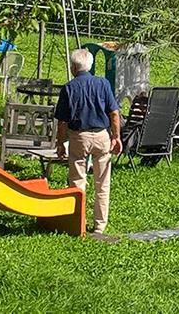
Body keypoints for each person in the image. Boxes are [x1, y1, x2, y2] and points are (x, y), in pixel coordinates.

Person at [54, 49, 122, 234]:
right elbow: (114, 114)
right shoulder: (103, 84)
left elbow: (62, 121)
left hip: (79, 137)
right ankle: (99, 226)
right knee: (102, 183)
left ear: (74, 67)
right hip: (102, 136)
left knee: (77, 181)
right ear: (90, 66)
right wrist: (116, 137)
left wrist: (60, 143)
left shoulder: (68, 88)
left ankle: (78, 223)